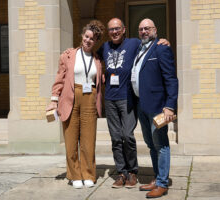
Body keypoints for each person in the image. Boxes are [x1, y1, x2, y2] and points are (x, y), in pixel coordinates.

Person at [97, 18, 170, 189]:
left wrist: (165, 41)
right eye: (111, 29)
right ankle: (122, 172)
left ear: (123, 30)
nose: (114, 32)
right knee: (115, 138)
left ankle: (133, 172)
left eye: (117, 29)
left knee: (127, 136)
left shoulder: (134, 43)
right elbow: (90, 56)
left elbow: (151, 45)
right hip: (110, 99)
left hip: (128, 98)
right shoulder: (105, 47)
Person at [46, 20, 105, 189]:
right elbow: (60, 79)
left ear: (96, 42)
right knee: (71, 140)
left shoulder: (98, 59)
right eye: (86, 36)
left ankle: (88, 174)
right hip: (70, 97)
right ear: (82, 35)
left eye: (92, 39)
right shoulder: (68, 55)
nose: (88, 40)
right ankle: (74, 174)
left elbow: (101, 80)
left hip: (90, 99)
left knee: (88, 141)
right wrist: (53, 100)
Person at [130, 18, 178, 198]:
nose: (143, 31)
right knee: (151, 145)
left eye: (147, 28)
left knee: (161, 145)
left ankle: (163, 184)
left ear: (155, 30)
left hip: (158, 107)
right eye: (141, 29)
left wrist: (170, 106)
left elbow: (171, 79)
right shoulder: (139, 48)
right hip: (142, 105)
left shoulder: (161, 48)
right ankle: (158, 178)